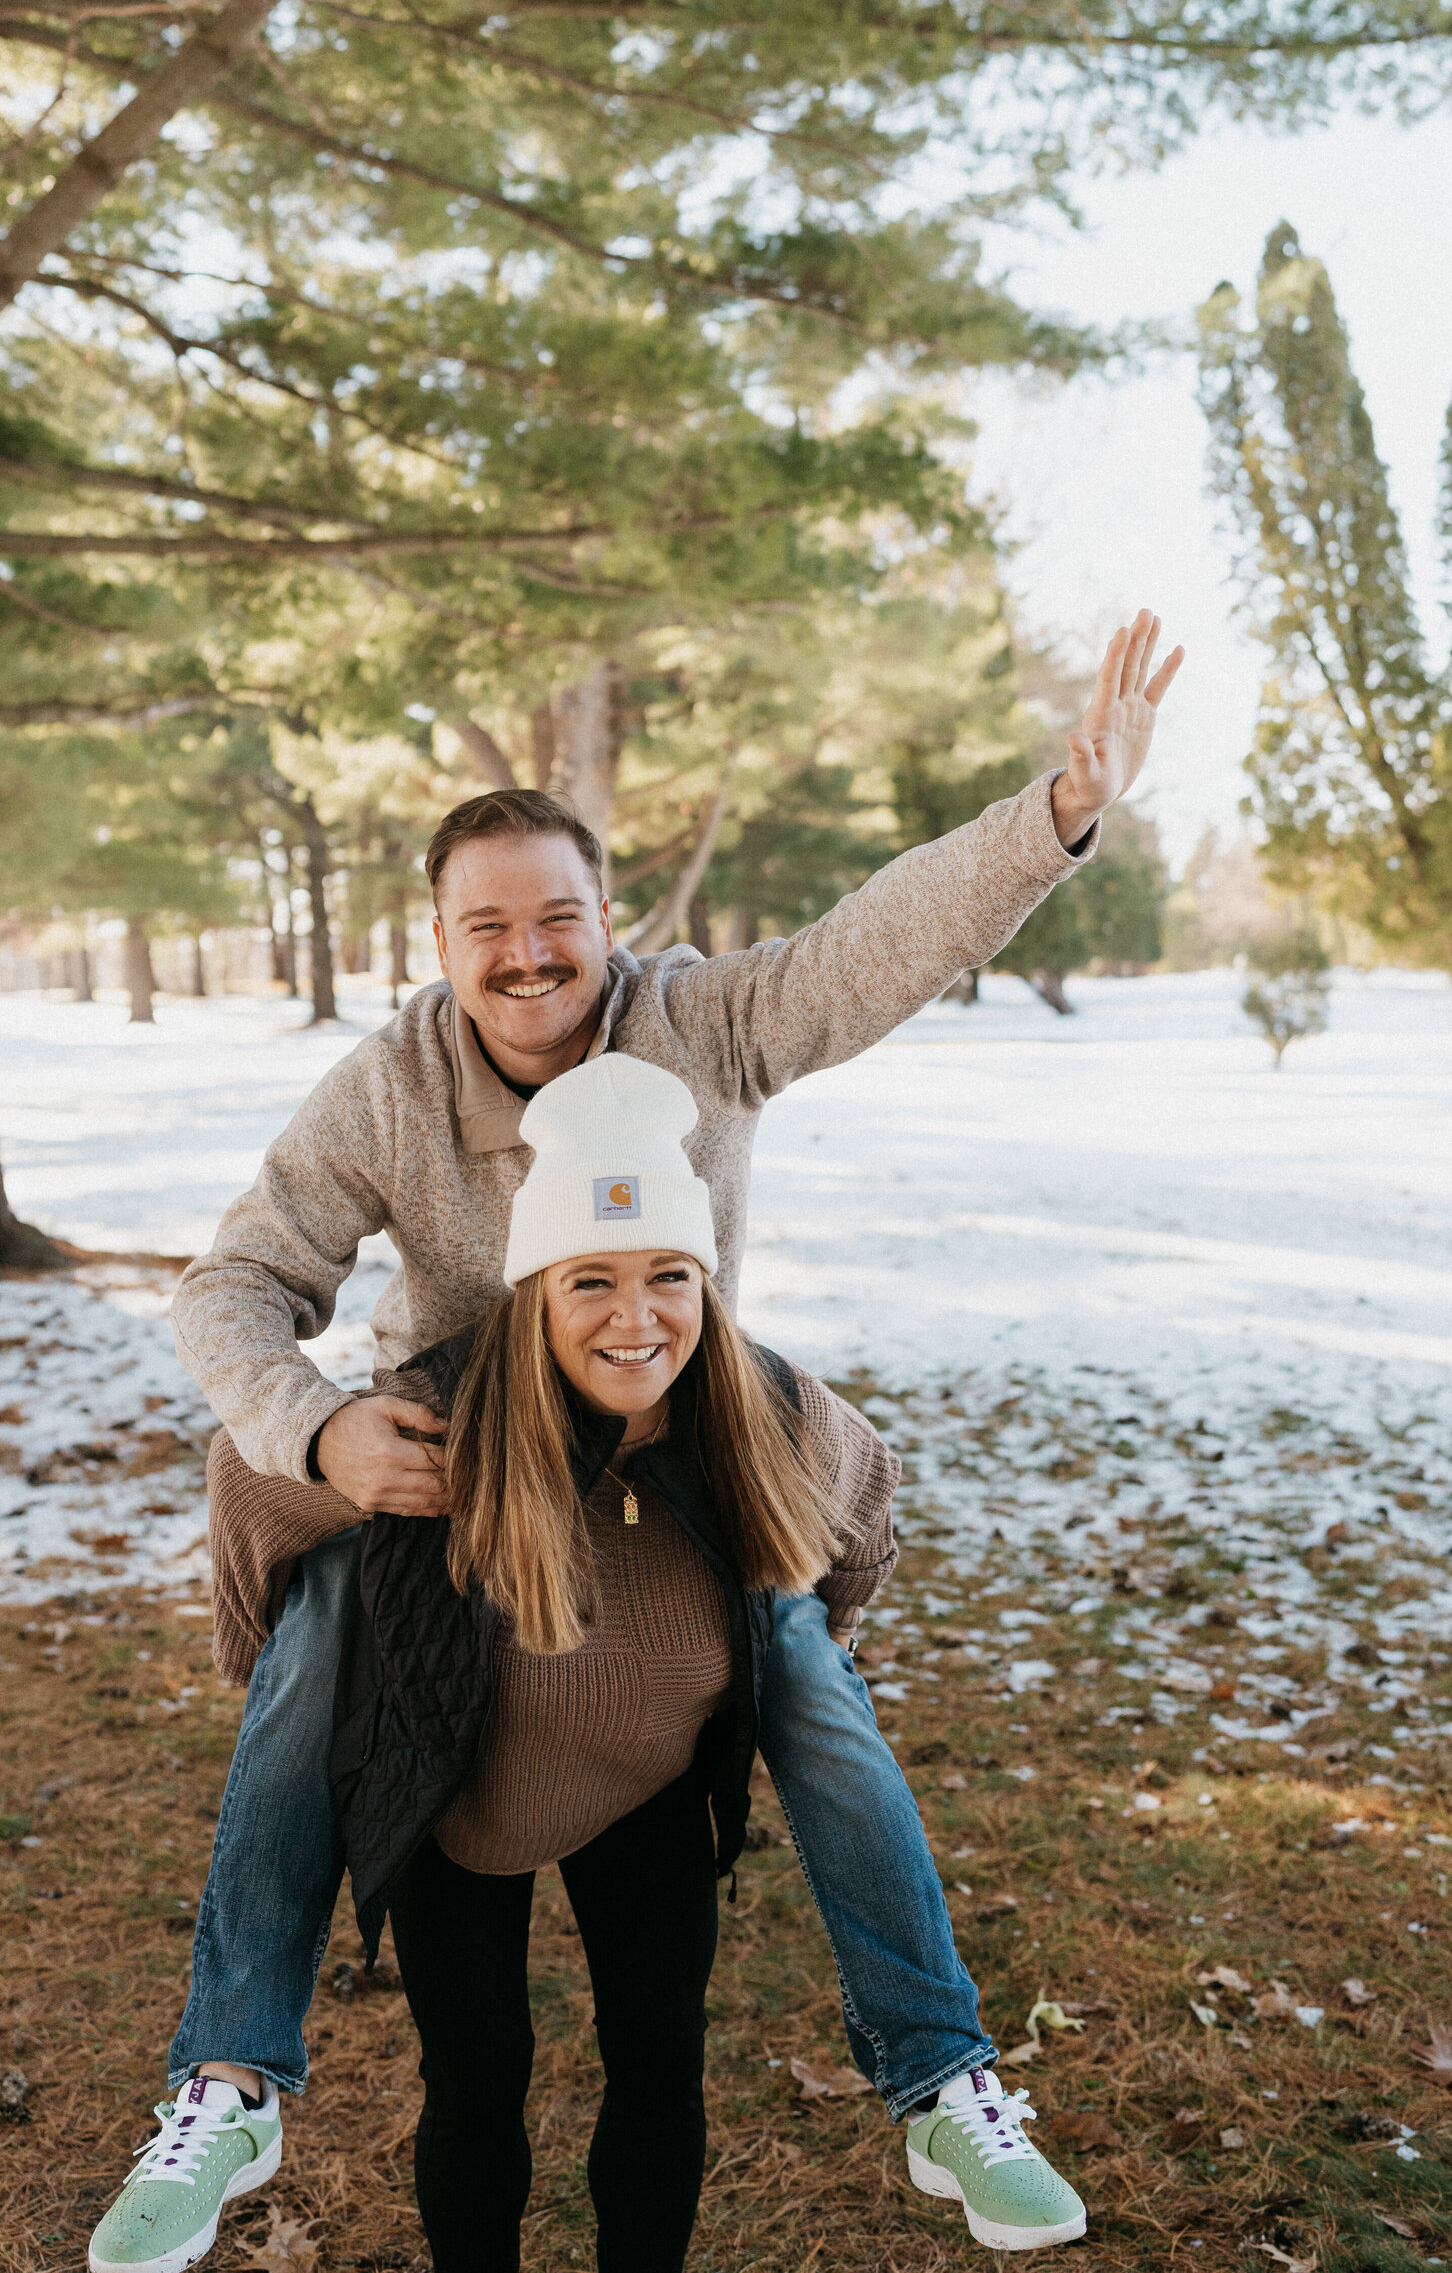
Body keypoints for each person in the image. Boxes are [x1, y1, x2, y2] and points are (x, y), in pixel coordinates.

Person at [85, 612, 1184, 2268]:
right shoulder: (388, 1087)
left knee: (804, 1668)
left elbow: (873, 942)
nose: (527, 957)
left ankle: (941, 2072)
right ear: (440, 943)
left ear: (613, 921)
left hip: (673, 1412)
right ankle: (233, 2073)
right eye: (487, 929)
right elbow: (235, 1280)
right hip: (460, 1445)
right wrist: (313, 1432)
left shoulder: (705, 1018)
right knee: (317, 1639)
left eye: (558, 920)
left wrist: (1054, 815)